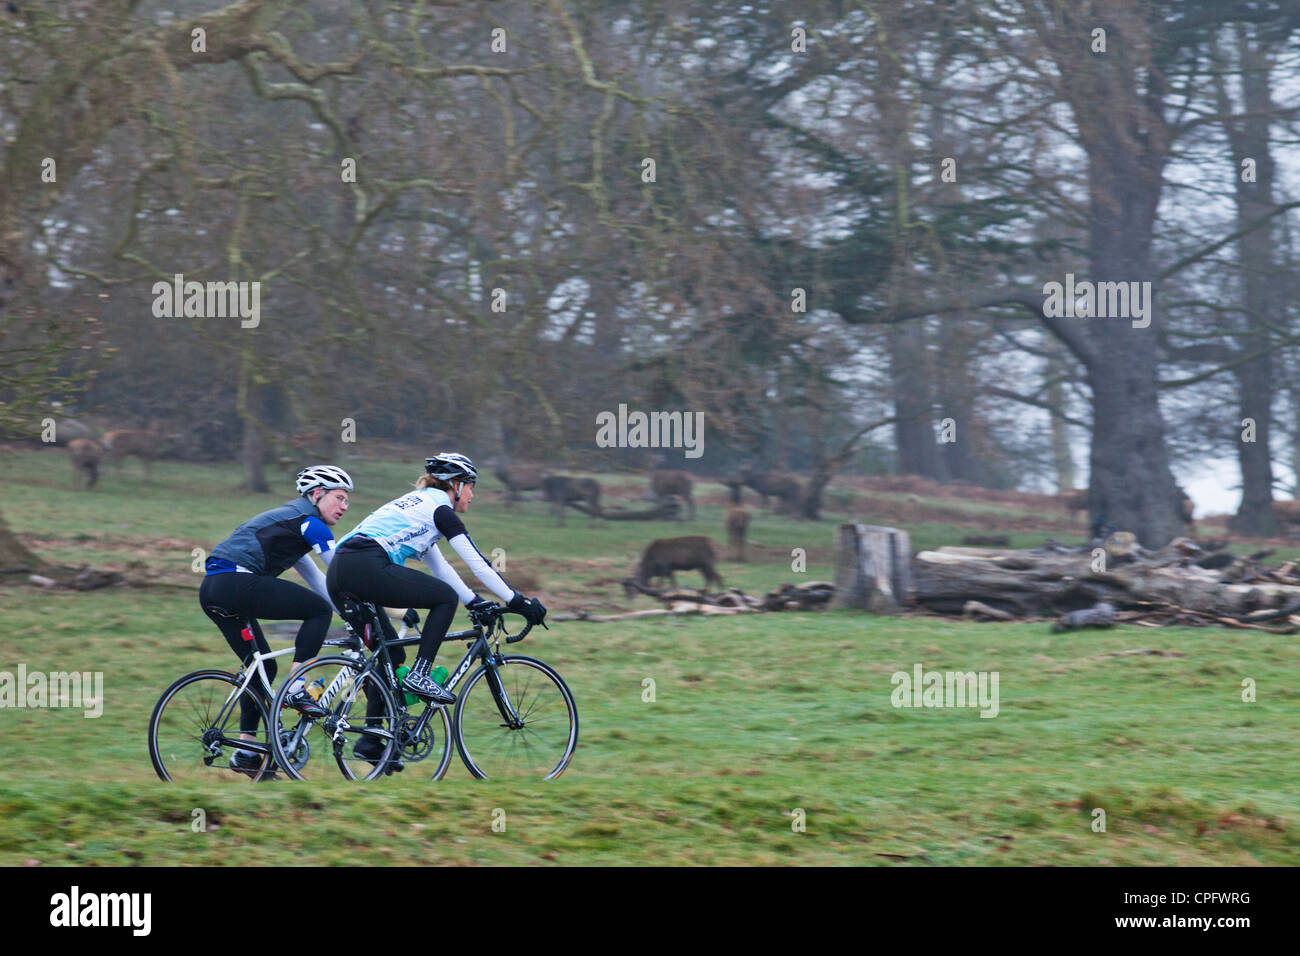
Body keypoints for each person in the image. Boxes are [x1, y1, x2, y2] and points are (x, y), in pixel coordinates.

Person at [327, 453, 545, 759]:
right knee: (444, 598)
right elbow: (479, 565)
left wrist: (475, 601)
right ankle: (420, 673)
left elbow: (441, 568)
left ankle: (372, 741)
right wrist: (519, 602)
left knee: (390, 654)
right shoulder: (441, 510)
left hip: (339, 572)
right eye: (470, 486)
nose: (472, 494)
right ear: (455, 485)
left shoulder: (419, 504)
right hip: (364, 565)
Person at [198, 465, 353, 774]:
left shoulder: (292, 524)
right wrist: (364, 610)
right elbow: (341, 575)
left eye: (347, 500)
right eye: (339, 498)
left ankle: (246, 753)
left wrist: (348, 614)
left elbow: (320, 582)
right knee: (317, 611)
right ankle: (296, 688)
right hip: (236, 583)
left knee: (263, 667)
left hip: (213, 590)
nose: (344, 507)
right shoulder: (311, 524)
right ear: (317, 494)